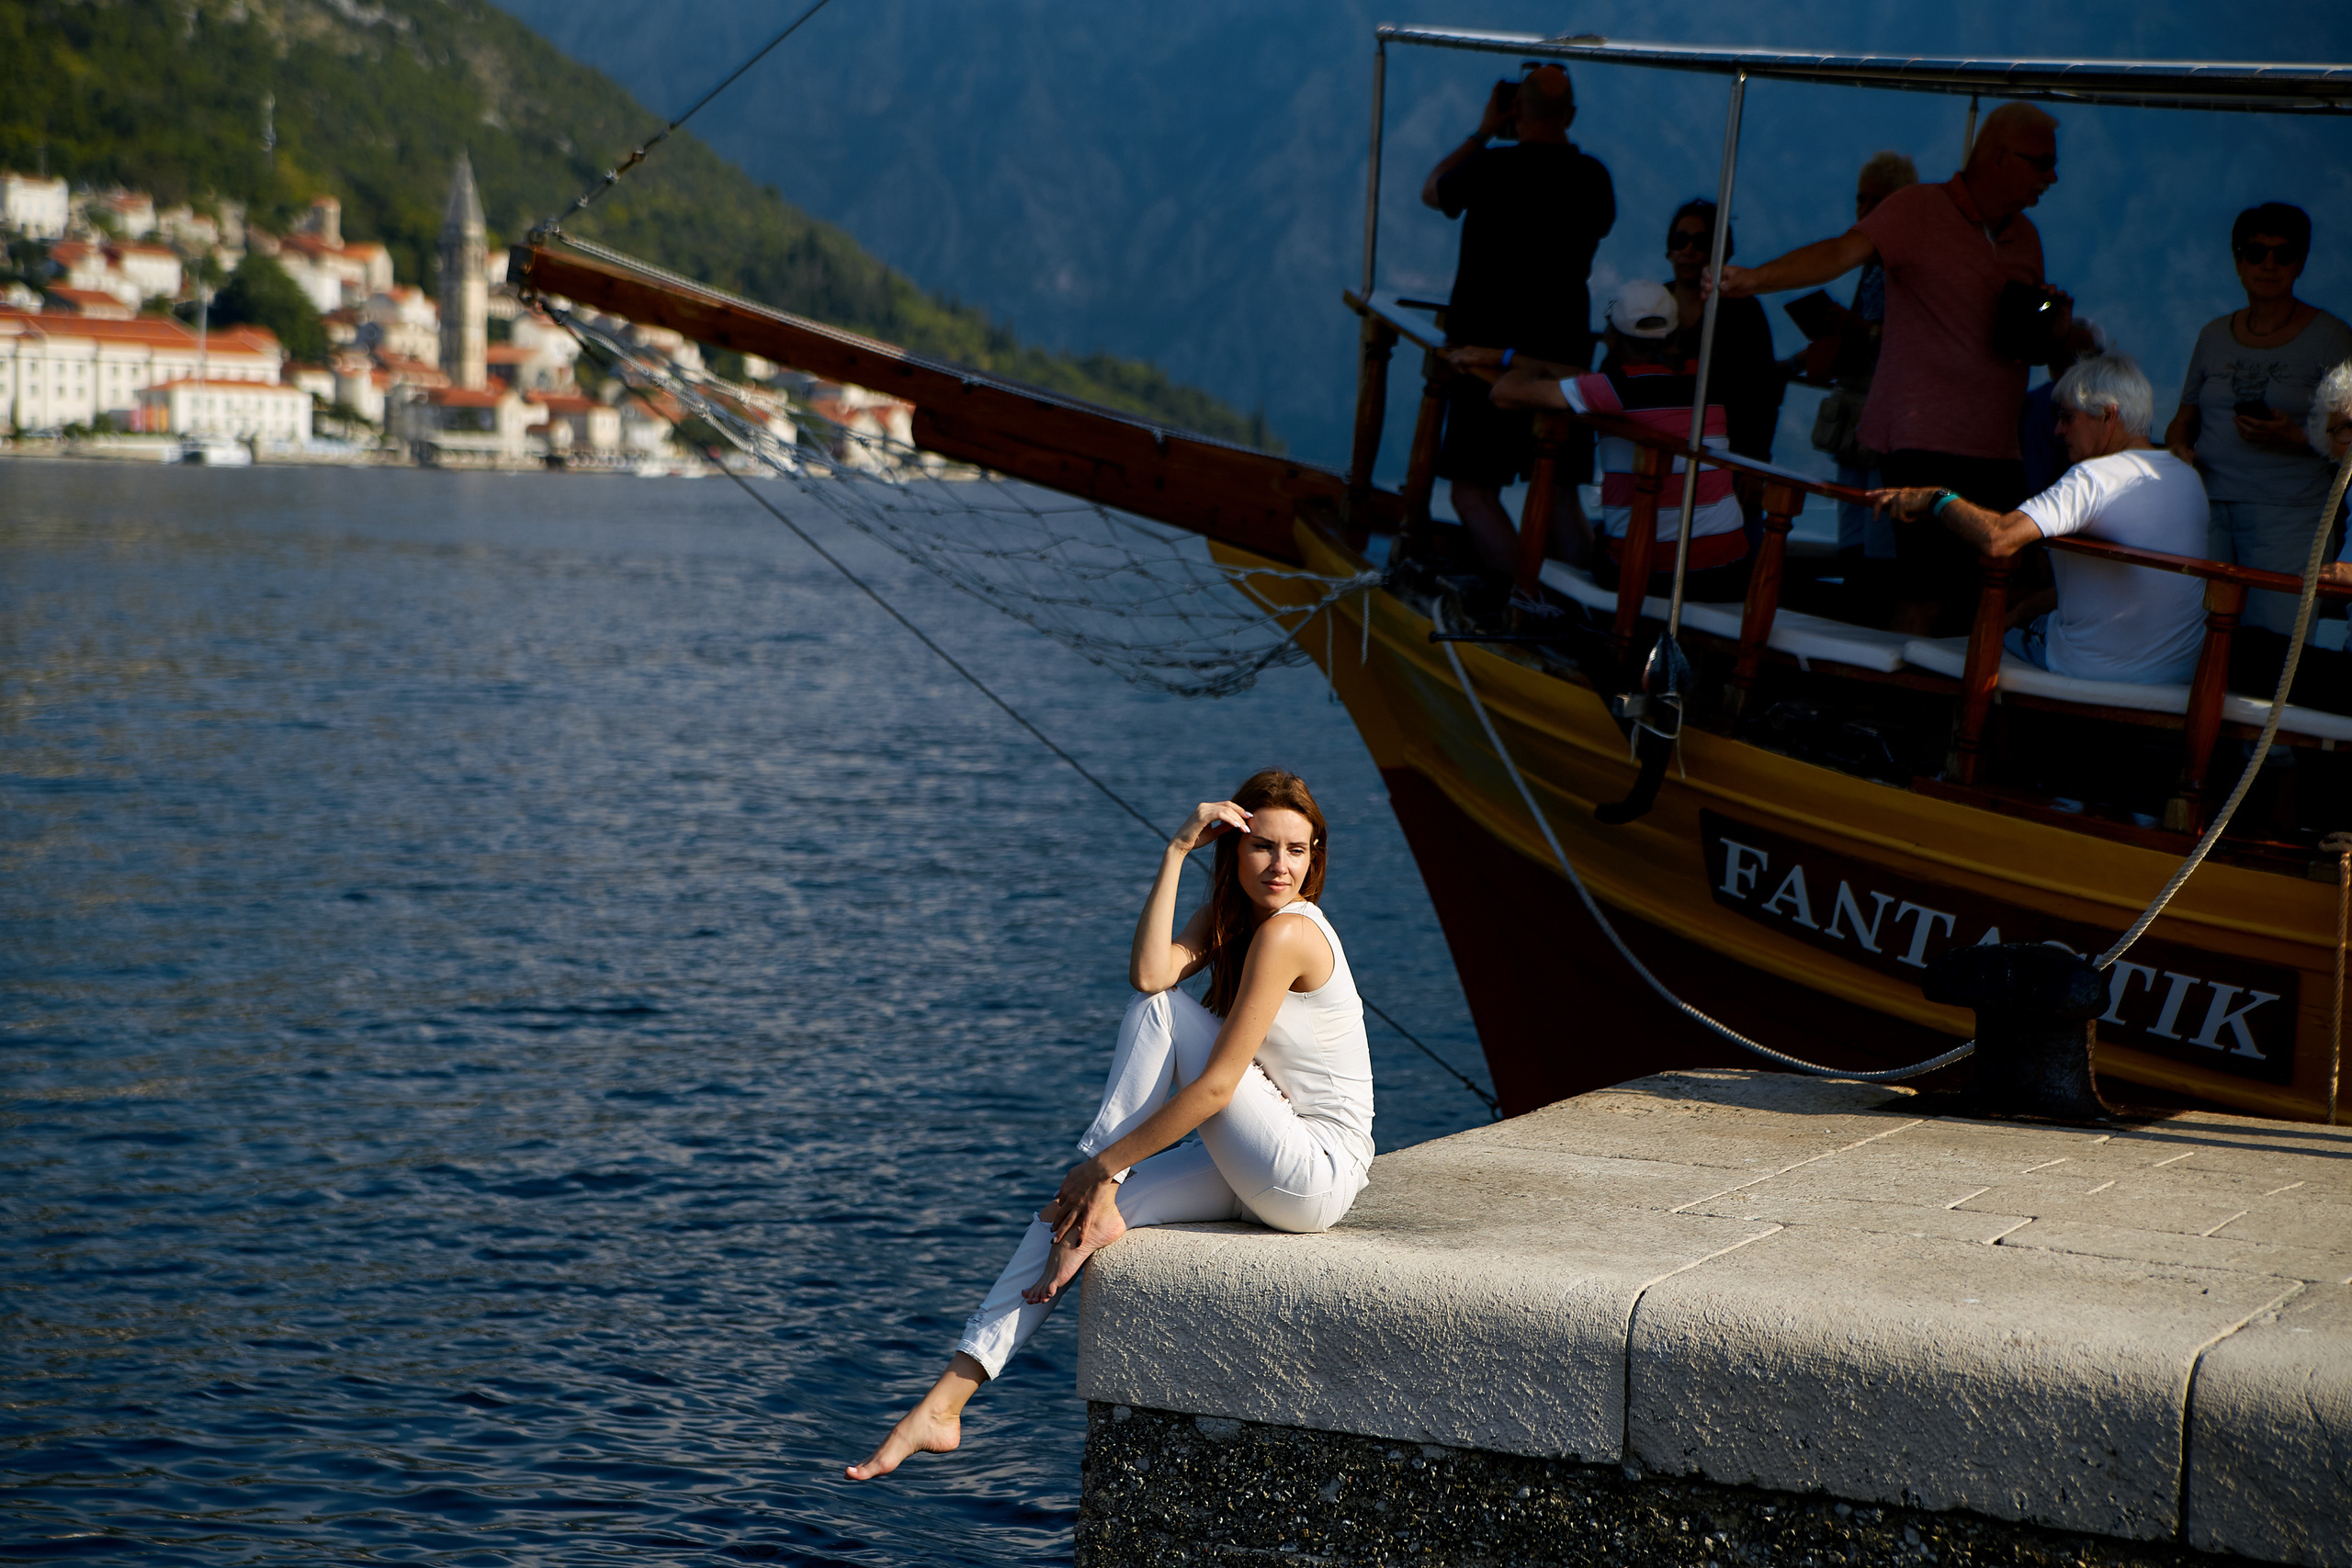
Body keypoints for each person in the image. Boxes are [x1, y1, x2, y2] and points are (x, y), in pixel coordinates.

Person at [846, 770, 1374, 1481]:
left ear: (1316, 857)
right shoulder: (1237, 921)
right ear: (1234, 849)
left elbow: (1215, 1083)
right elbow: (1152, 971)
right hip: (1264, 1163)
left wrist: (1103, 1166)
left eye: (1298, 850)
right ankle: (944, 1404)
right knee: (1071, 1215)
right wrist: (1177, 847)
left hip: (1313, 1170)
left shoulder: (1290, 932)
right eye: (1263, 848)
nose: (1280, 865)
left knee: (1141, 1070)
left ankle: (1100, 1179)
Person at [1714, 102, 2069, 636]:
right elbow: (1841, 252)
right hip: (1923, 443)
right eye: (2042, 162)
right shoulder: (1917, 210)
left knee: (2002, 592)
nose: (2052, 176)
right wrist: (1753, 280)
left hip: (1998, 444)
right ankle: (1893, 704)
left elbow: (2020, 349)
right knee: (1924, 594)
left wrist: (2052, 324)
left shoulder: (2028, 239)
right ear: (1999, 158)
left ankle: (1961, 707)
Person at [1871, 355, 2207, 684]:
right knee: (2017, 611)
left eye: (2066, 417)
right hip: (2177, 670)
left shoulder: (2094, 476)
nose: (2058, 430)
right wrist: (2019, 613)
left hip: (2096, 667)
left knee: (1979, 624)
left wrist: (1934, 497)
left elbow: (1998, 538)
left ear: (2108, 415)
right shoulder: (2185, 477)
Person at [1420, 65, 1615, 576]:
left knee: (1473, 493)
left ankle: (1525, 603)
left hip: (1484, 357)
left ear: (1514, 111)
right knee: (1559, 494)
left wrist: (1483, 132)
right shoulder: (1593, 178)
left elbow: (1433, 191)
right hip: (1561, 359)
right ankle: (1585, 617)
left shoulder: (1488, 169)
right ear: (1570, 115)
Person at [1466, 280, 1749, 604]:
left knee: (1601, 542)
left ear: (1612, 338)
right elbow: (1589, 380)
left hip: (1645, 572)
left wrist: (1525, 366)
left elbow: (1504, 394)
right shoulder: (1704, 381)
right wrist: (1514, 358)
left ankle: (1546, 611)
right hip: (1729, 570)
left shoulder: (1620, 388)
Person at [2164, 203, 2352, 638]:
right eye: (2255, 252)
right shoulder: (2212, 337)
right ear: (2237, 260)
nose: (2269, 264)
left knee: (2269, 650)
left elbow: (2351, 438)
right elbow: (2184, 418)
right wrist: (2177, 452)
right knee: (2190, 640)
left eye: (2283, 254)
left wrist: (2298, 438)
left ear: (2301, 263)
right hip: (2205, 509)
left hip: (2289, 517)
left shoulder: (2331, 339)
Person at [1812, 152, 1918, 598]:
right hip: (1853, 416)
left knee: (1880, 538)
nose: (1865, 211)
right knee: (1852, 533)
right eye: (1861, 200)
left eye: (1877, 201)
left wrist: (1854, 328)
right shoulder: (1871, 265)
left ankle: (1873, 613)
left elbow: (1908, 338)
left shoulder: (1909, 265)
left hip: (1886, 425)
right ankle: (1856, 603)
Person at [1663, 199, 1781, 462]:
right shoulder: (1652, 303)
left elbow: (1763, 394)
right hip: (1662, 447)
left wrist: (1755, 462)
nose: (1688, 250)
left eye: (1701, 243)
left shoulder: (1744, 312)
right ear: (1670, 249)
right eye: (1680, 240)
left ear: (1720, 252)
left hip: (1728, 455)